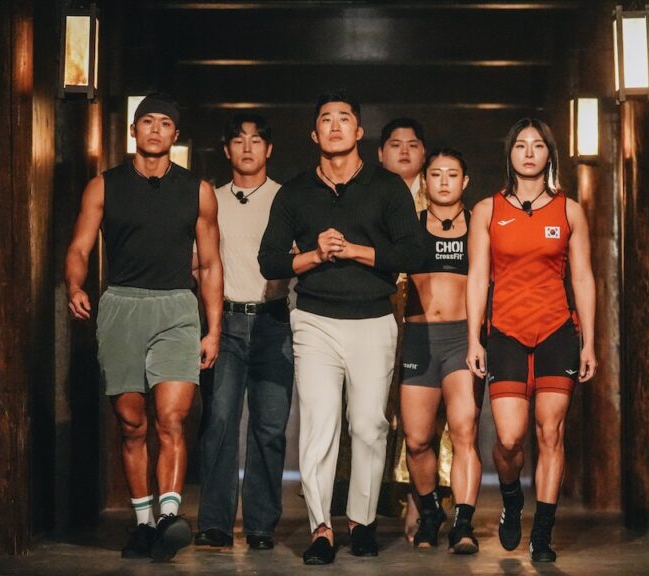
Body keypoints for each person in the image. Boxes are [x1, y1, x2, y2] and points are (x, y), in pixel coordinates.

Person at [258, 91, 425, 565]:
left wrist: (356, 251)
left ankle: (362, 522)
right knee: (319, 424)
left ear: (359, 131)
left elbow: (413, 252)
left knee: (369, 425)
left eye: (344, 118)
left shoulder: (387, 187)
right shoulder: (295, 192)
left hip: (373, 318)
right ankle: (321, 528)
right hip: (314, 320)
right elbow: (269, 259)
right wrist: (314, 255)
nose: (335, 126)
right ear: (315, 134)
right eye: (326, 120)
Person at [65, 93, 223, 562]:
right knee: (132, 424)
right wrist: (74, 285)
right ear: (133, 131)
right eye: (147, 122)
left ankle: (170, 516)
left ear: (176, 134)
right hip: (122, 305)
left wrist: (213, 329)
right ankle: (143, 524)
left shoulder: (197, 190)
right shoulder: (104, 186)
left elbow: (210, 264)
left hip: (177, 307)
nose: (155, 130)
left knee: (171, 418)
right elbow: (79, 247)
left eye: (165, 123)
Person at [465, 118, 596, 563]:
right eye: (520, 145)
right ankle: (511, 499)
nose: (528, 153)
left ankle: (542, 534)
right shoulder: (487, 210)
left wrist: (589, 342)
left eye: (537, 145)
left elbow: (583, 277)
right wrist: (474, 339)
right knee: (508, 439)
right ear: (510, 154)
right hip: (505, 331)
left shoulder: (569, 211)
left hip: (557, 331)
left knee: (550, 432)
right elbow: (477, 277)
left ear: (549, 155)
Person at [195, 114, 293, 551]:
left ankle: (260, 524)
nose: (247, 147)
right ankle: (215, 522)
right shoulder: (210, 199)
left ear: (269, 149)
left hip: (274, 320)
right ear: (226, 149)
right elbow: (197, 262)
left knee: (269, 427)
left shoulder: (287, 199)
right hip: (225, 320)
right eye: (238, 140)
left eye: (256, 140)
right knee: (218, 421)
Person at [400, 149, 483, 554]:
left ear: (465, 181)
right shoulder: (410, 226)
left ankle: (463, 524)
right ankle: (431, 513)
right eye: (436, 174)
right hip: (419, 339)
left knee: (464, 429)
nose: (445, 181)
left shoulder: (478, 225)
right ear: (424, 180)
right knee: (417, 439)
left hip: (462, 338)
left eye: (453, 174)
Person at [376, 117, 455, 540]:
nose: (404, 151)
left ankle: (421, 501)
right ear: (379, 154)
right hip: (378, 310)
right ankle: (368, 503)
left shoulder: (441, 198)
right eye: (395, 144)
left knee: (427, 416)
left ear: (425, 154)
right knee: (377, 409)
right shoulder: (370, 196)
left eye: (412, 144)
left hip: (428, 315)